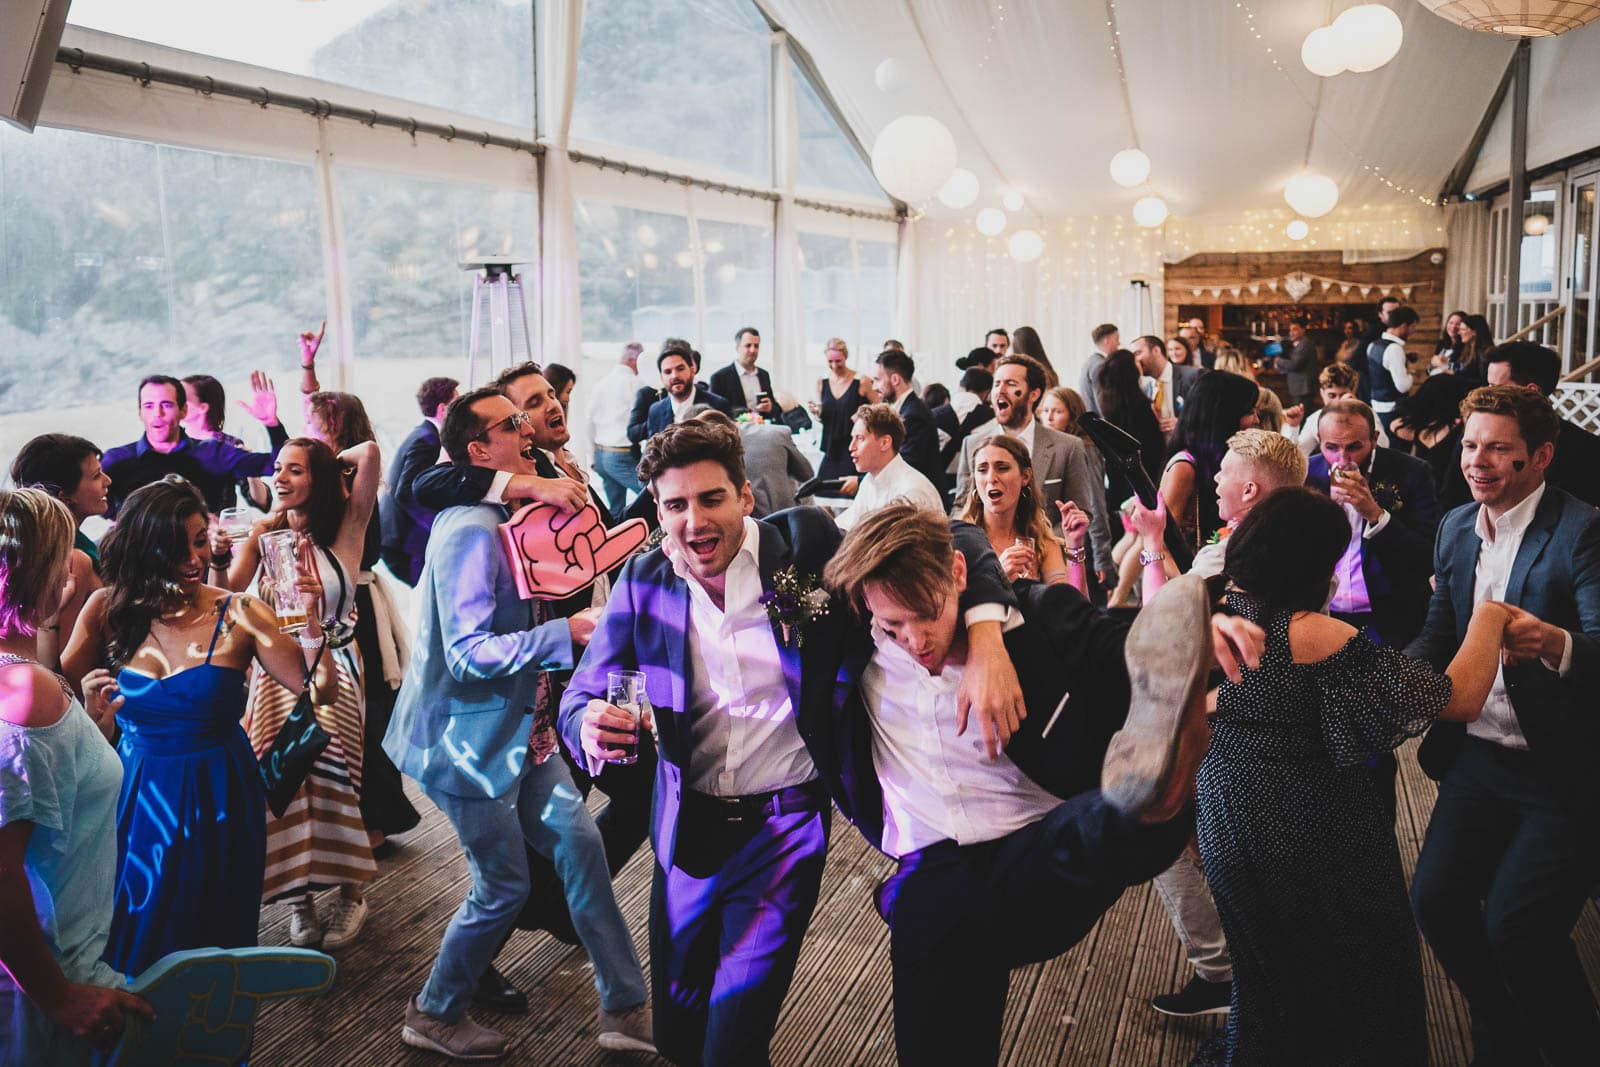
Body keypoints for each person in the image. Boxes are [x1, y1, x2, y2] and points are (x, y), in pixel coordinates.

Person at [560, 417, 1027, 1067]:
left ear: (746, 496)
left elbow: (959, 535)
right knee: (680, 1036)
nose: (694, 520)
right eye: (676, 505)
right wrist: (585, 726)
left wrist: (986, 631)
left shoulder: (807, 546)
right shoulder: (646, 583)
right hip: (684, 831)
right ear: (660, 512)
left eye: (711, 498)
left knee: (737, 1036)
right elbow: (583, 691)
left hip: (783, 833)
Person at [819, 503, 1266, 1066]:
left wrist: (1196, 637)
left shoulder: (1040, 618)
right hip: (931, 867)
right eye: (892, 625)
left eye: (926, 615)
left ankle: (1157, 784)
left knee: (1099, 818)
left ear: (958, 575)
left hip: (1038, 851)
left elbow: (1121, 646)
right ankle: (1150, 789)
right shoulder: (850, 643)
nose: (914, 639)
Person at [1192, 486, 1513, 1066]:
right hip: (1308, 827)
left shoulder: (1208, 615)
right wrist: (1489, 615)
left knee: (1267, 976)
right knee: (1363, 973)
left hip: (1224, 816)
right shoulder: (1309, 632)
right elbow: (1456, 697)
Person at [385, 387, 652, 1060]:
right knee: (505, 883)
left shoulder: (506, 509)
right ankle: (434, 1009)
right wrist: (570, 631)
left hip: (523, 736)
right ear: (478, 450)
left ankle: (627, 1006)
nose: (526, 428)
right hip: (465, 745)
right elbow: (467, 654)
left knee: (584, 849)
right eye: (511, 423)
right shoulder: (470, 529)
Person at [61, 476, 337, 976]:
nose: (194, 558)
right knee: (133, 921)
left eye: (198, 539)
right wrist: (89, 706)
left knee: (214, 932)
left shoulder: (242, 614)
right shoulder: (107, 610)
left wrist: (311, 620)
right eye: (175, 546)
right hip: (137, 793)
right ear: (145, 548)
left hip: (222, 794)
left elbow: (318, 692)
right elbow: (62, 692)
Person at [1407, 385, 1600, 1067]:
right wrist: (1392, 684)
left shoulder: (1582, 529)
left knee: (1517, 926)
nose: (1476, 460)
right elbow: (1438, 634)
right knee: (1435, 901)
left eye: (1497, 448)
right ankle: (1505, 1029)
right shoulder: (1456, 526)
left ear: (1540, 456)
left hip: (1562, 767)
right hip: (1478, 759)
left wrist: (1553, 641)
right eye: (1469, 444)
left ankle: (1577, 1046)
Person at [1131, 429, 1308, 1018]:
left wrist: (1152, 549)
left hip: (1225, 717)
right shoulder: (1288, 536)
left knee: (1169, 836)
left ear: (1250, 488)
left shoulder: (1237, 552)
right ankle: (1251, 970)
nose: (1215, 481)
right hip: (1275, 717)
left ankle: (1226, 974)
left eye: (1225, 473)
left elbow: (1163, 616)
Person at [0, 488, 157, 1065]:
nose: (71, 568)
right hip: (46, 970)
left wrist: (85, 730)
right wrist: (60, 997)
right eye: (62, 555)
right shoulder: (25, 693)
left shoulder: (24, 682)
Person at [216, 435, 381, 950]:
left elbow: (369, 453)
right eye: (278, 470)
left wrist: (332, 468)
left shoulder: (347, 529)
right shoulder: (266, 535)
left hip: (334, 663)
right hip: (274, 672)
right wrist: (223, 553)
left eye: (295, 471)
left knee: (338, 777)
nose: (280, 479)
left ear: (321, 480)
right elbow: (225, 591)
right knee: (280, 784)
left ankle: (352, 892)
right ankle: (299, 904)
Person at [954, 355, 1115, 577]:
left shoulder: (1067, 446)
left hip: (1051, 565)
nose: (1000, 391)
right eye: (996, 384)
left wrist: (1040, 544)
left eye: (1010, 384)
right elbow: (962, 505)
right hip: (985, 564)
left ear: (1034, 394)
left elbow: (1081, 509)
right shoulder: (972, 444)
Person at [1306, 398, 1440, 651]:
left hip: (1389, 615)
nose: (1343, 459)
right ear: (1318, 439)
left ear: (1374, 438)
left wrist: (1376, 515)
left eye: (1354, 447)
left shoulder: (1412, 472)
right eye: (1331, 447)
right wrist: (1327, 513)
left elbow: (1428, 554)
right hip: (1323, 614)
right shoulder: (1306, 474)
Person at [1437, 340, 1600, 509]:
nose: (1487, 393)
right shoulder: (1475, 432)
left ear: (1531, 390)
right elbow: (1451, 495)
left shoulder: (1587, 450)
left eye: (1495, 387)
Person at [101, 373, 288, 517]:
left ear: (183, 410)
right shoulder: (117, 460)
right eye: (149, 406)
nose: (157, 413)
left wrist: (272, 425)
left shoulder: (214, 453)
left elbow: (276, 465)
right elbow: (81, 495)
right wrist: (119, 521)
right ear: (140, 412)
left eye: (166, 405)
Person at [9, 436, 110, 668]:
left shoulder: (72, 545)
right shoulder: (72, 561)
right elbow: (62, 662)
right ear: (65, 496)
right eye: (96, 476)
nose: (107, 481)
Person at [955, 435, 1085, 590]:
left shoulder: (1040, 541)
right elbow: (950, 607)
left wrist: (1075, 547)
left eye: (1002, 468)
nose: (991, 478)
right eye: (982, 470)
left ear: (1025, 476)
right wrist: (999, 577)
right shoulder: (959, 538)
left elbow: (1071, 606)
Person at [1159, 370, 1261, 554]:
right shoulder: (1184, 467)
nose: (1256, 419)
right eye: (1250, 412)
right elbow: (1161, 543)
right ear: (1225, 417)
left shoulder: (1229, 458)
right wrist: (1194, 580)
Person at [379, 375, 458, 586]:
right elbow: (406, 492)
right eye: (456, 404)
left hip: (398, 541)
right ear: (443, 409)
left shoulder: (423, 434)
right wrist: (439, 527)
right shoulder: (427, 442)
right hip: (403, 544)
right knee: (434, 592)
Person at [836, 404, 945, 532]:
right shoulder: (870, 479)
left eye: (860, 438)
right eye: (852, 438)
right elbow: (847, 523)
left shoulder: (911, 492)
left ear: (885, 443)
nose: (851, 447)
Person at [693, 408, 812, 517]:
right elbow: (807, 474)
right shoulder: (776, 433)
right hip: (788, 517)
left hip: (749, 524)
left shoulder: (710, 456)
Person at [181, 374, 271, 511]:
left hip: (218, 528)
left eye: (182, 399)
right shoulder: (166, 443)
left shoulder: (229, 446)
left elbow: (262, 502)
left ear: (203, 407)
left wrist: (251, 471)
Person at [1095, 350, 1167, 511]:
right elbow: (1153, 446)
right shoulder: (1138, 404)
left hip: (1117, 470)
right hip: (1140, 470)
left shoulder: (1107, 399)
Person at [873, 348, 947, 498]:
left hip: (922, 501)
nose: (874, 387)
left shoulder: (914, 414)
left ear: (895, 379)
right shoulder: (905, 409)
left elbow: (905, 463)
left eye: (878, 380)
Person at [587, 343, 647, 517]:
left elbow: (589, 421)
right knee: (653, 494)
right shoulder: (637, 385)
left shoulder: (600, 384)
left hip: (600, 454)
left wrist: (592, 456)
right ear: (634, 361)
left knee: (615, 509)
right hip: (622, 455)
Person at [1389, 373, 1470, 494]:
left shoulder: (1416, 429)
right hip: (1447, 490)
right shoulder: (1457, 428)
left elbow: (1394, 425)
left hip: (1420, 488)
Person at [811, 338, 877, 480]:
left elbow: (880, 408)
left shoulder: (862, 381)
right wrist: (817, 412)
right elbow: (825, 415)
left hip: (854, 449)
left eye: (838, 361)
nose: (834, 366)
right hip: (831, 449)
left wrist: (863, 414)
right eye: (830, 362)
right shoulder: (822, 382)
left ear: (845, 357)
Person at [1297, 362, 1392, 456]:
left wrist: (1360, 411)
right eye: (1332, 396)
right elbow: (1299, 454)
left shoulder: (1367, 413)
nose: (1337, 402)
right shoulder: (1314, 419)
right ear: (1322, 393)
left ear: (1353, 392)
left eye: (1343, 395)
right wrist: (1292, 427)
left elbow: (1383, 447)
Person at [647, 340, 732, 436]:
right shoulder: (656, 411)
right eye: (668, 372)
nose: (674, 376)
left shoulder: (718, 405)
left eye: (680, 369)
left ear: (692, 370)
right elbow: (653, 449)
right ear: (661, 378)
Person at [1366, 305, 1418, 440]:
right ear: (1403, 326)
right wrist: (1412, 374)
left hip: (1377, 406)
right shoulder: (1394, 349)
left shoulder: (1373, 345)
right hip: (1392, 409)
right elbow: (1403, 386)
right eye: (1412, 327)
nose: (1414, 331)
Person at [1133, 335, 1202, 435]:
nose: (1136, 361)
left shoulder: (1192, 377)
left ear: (1156, 351)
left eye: (1138, 353)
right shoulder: (1146, 388)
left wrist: (1184, 424)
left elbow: (1210, 414)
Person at [709, 327, 780, 418]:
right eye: (748, 345)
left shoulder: (764, 375)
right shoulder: (719, 377)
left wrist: (771, 408)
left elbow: (776, 410)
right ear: (737, 348)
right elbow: (715, 412)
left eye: (756, 346)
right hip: (735, 428)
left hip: (763, 426)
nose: (753, 350)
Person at [1275, 321, 1320, 413]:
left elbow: (1294, 364)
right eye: (1290, 330)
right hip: (1300, 388)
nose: (1291, 333)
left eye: (1295, 329)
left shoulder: (1305, 344)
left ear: (1303, 330)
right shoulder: (1299, 344)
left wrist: (1278, 361)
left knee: (1301, 416)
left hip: (1304, 388)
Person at [1081, 323, 1120, 414]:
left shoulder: (1090, 362)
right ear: (1106, 340)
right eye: (1117, 339)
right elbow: (1102, 402)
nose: (1119, 343)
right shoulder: (1100, 365)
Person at [1451, 313, 1494, 383]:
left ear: (1474, 332)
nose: (1459, 333)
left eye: (1463, 329)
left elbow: (1483, 381)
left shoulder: (1484, 353)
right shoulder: (1467, 349)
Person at [1430, 310, 1466, 374]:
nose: (1453, 327)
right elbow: (1429, 370)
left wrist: (1440, 364)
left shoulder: (1465, 347)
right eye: (1451, 323)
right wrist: (1434, 364)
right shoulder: (1442, 343)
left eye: (1458, 324)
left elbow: (1458, 372)